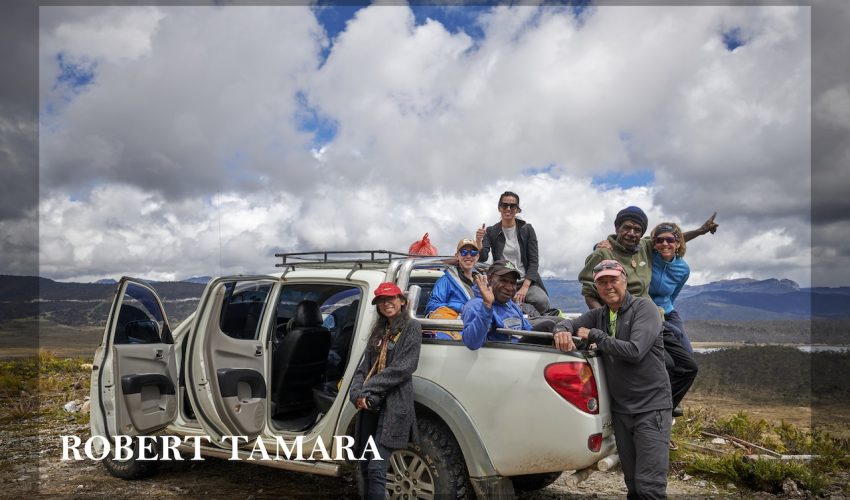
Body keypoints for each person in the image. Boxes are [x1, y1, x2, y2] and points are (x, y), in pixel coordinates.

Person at [553, 260, 671, 499]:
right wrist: (561, 330)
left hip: (651, 408)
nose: (608, 286)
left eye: (613, 280)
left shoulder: (645, 309)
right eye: (602, 282)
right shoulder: (601, 314)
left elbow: (635, 351)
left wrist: (596, 335)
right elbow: (568, 322)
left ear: (624, 280)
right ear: (596, 287)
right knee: (633, 484)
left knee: (650, 487)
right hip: (622, 411)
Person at [348, 282, 422, 499]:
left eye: (390, 299)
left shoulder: (412, 327)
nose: (386, 303)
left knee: (377, 468)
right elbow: (364, 368)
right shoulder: (379, 329)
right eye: (381, 300)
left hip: (395, 404)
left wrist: (368, 389)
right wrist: (356, 394)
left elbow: (404, 368)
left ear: (402, 301)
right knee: (364, 464)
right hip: (371, 405)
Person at [461, 260, 575, 352]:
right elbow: (472, 343)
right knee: (548, 326)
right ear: (490, 279)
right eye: (503, 280)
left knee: (562, 325)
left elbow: (527, 329)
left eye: (513, 283)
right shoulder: (475, 306)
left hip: (520, 351)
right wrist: (487, 305)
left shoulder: (510, 305)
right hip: (505, 356)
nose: (509, 287)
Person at [476, 191, 550, 313]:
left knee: (541, 301)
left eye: (512, 206)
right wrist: (478, 241)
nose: (508, 209)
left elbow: (533, 261)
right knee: (487, 301)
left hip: (524, 281)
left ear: (517, 209)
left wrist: (525, 288)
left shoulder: (527, 229)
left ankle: (524, 314)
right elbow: (482, 257)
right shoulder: (491, 231)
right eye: (505, 205)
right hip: (501, 282)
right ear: (499, 208)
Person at [648, 222, 693, 353]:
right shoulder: (646, 256)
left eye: (670, 240)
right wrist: (601, 245)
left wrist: (665, 308)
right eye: (660, 240)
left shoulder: (683, 269)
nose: (665, 244)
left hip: (667, 311)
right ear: (655, 244)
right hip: (646, 310)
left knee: (687, 353)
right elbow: (620, 249)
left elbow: (674, 295)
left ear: (678, 243)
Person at [424, 238, 479, 317]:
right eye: (464, 252)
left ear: (477, 256)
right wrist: (458, 307)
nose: (468, 256)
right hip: (455, 326)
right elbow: (432, 306)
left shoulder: (484, 280)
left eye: (473, 253)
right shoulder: (445, 280)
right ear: (457, 256)